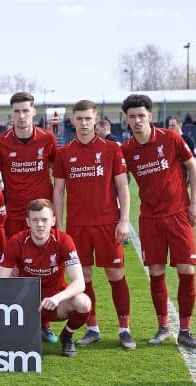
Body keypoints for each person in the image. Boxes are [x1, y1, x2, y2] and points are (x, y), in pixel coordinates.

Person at [120, 94, 196, 349]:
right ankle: (163, 327)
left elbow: (192, 167)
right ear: (126, 119)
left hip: (179, 214)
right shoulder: (126, 149)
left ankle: (186, 331)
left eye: (141, 115)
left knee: (186, 270)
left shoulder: (171, 138)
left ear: (150, 116)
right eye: (132, 116)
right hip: (150, 219)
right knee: (156, 272)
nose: (137, 120)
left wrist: (195, 201)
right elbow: (120, 183)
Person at [53, 100, 135, 350]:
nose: (84, 123)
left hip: (107, 224)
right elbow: (58, 190)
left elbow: (122, 186)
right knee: (84, 275)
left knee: (115, 274)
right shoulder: (64, 153)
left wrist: (124, 220)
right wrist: (60, 225)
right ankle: (92, 327)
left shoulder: (111, 149)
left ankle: (124, 328)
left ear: (96, 120)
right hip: (77, 227)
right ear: (73, 120)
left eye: (88, 118)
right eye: (79, 119)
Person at [0, 91, 58, 343]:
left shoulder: (48, 139)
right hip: (15, 216)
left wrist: (56, 215)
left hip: (43, 218)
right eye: (16, 111)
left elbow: (58, 178)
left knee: (45, 271)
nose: (21, 115)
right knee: (17, 271)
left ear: (33, 112)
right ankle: (18, 323)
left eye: (25, 110)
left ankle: (45, 324)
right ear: (11, 114)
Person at [0, 199, 91, 357]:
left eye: (44, 219)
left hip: (55, 303)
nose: (40, 224)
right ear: (28, 222)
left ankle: (67, 336)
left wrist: (57, 297)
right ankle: (20, 331)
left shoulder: (64, 241)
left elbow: (79, 282)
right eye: (35, 220)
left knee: (83, 302)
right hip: (26, 304)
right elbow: (0, 282)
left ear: (53, 220)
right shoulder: (16, 242)